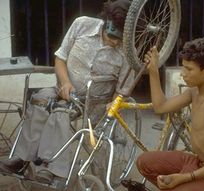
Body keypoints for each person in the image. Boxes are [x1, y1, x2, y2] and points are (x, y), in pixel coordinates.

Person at [0, 0, 133, 184]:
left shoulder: (127, 52)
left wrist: (115, 102)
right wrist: (65, 83)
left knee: (60, 111)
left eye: (120, 38)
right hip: (63, 87)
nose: (115, 42)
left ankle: (51, 167)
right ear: (105, 21)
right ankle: (22, 158)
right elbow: (60, 58)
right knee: (40, 100)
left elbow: (123, 90)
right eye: (112, 36)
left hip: (92, 103)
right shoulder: (82, 25)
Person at [136, 37, 204, 191]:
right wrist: (153, 71)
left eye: (189, 69)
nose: (182, 73)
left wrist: (184, 177)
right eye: (183, 67)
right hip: (197, 161)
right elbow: (160, 107)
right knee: (144, 162)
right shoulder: (194, 92)